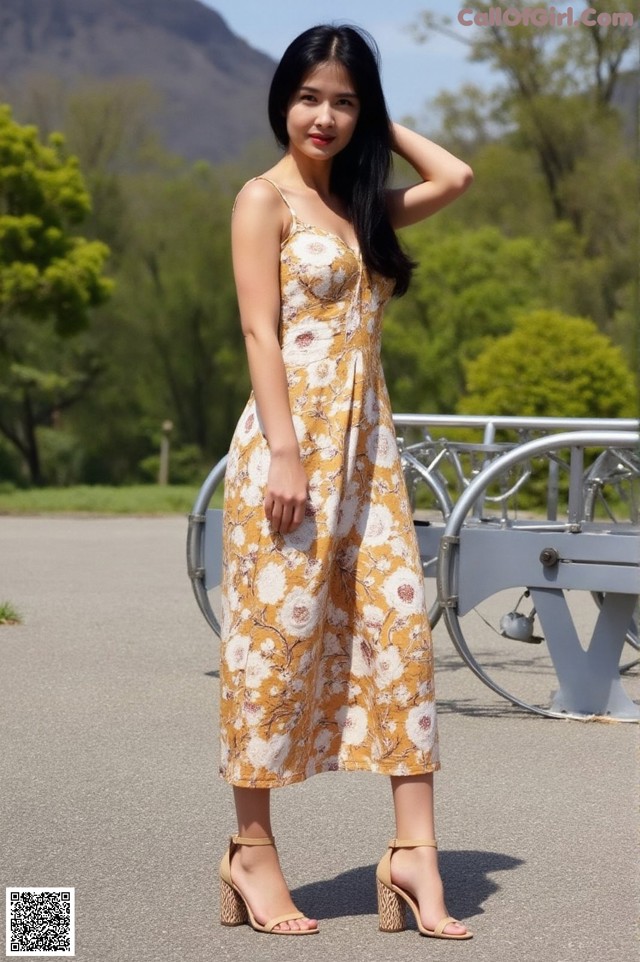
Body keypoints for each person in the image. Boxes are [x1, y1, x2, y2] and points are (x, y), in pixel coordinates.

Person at [218, 23, 474, 938]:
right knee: (272, 651)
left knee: (401, 641)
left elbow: (455, 179)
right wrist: (285, 452)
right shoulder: (264, 200)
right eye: (309, 96)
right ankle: (251, 854)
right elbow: (259, 333)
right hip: (289, 456)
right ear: (281, 99)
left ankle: (415, 856)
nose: (323, 116)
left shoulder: (361, 205)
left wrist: (384, 125)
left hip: (370, 464)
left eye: (344, 101)